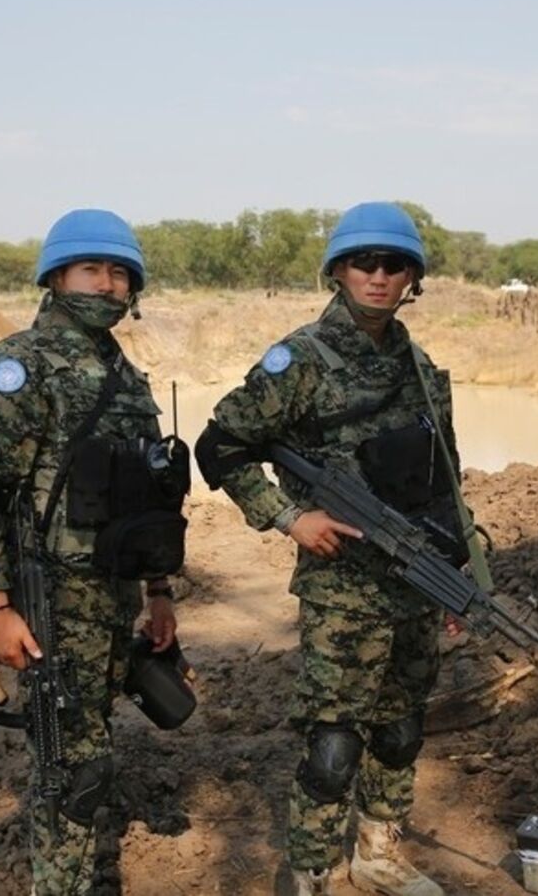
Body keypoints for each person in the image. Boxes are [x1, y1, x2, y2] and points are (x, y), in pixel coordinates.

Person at [196, 202, 463, 896]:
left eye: (394, 264)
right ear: (338, 271)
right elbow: (220, 446)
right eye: (364, 262)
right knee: (334, 741)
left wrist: (461, 576)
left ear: (413, 277)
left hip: (415, 581)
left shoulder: (422, 368)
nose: (379, 276)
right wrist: (289, 517)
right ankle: (313, 869)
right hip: (343, 588)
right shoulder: (299, 361)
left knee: (401, 729)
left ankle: (378, 851)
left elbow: (447, 483)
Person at [0, 208, 185, 895]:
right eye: (93, 269)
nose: (107, 286)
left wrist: (159, 591)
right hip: (48, 601)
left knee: (92, 748)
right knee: (69, 768)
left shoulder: (129, 377)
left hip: (111, 600)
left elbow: (148, 501)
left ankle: (77, 873)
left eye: (119, 274)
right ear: (55, 276)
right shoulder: (17, 367)